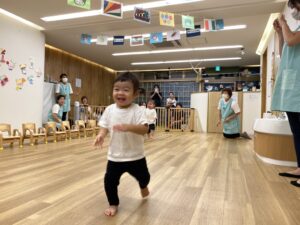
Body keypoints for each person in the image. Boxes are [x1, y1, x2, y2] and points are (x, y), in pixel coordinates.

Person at [94, 72, 150, 217]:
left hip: (136, 156)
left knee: (145, 177)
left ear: (135, 94)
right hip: (115, 157)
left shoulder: (138, 110)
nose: (120, 92)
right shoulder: (109, 109)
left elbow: (145, 129)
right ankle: (113, 203)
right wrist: (101, 135)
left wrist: (128, 127)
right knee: (109, 182)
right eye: (116, 89)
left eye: (126, 90)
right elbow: (105, 125)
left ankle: (143, 185)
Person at [272, 0, 300, 187]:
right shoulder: (296, 27)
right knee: (297, 130)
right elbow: (285, 48)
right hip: (292, 85)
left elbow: (291, 40)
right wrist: (280, 31)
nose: (293, 10)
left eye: (295, 5)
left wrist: (284, 24)